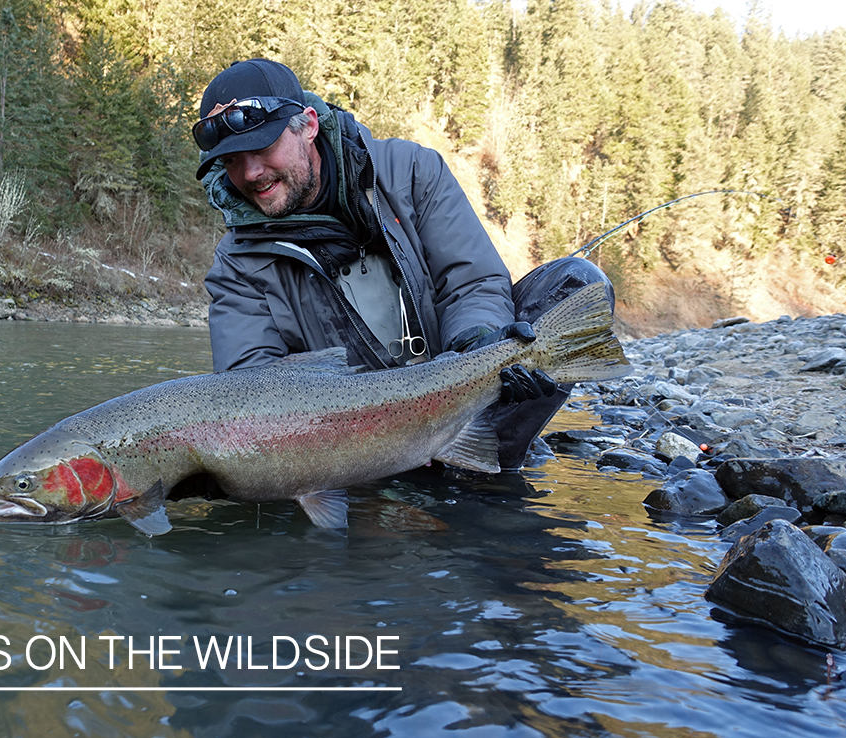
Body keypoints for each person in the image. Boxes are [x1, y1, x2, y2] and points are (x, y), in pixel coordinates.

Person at [193, 58, 614, 471]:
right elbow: (247, 391)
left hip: (459, 391)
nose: (250, 173)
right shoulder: (236, 264)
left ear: (308, 125)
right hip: (351, 443)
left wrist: (480, 344)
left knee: (576, 284)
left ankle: (481, 463)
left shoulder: (411, 172)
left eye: (263, 147)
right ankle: (400, 484)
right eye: (231, 160)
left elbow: (471, 282)